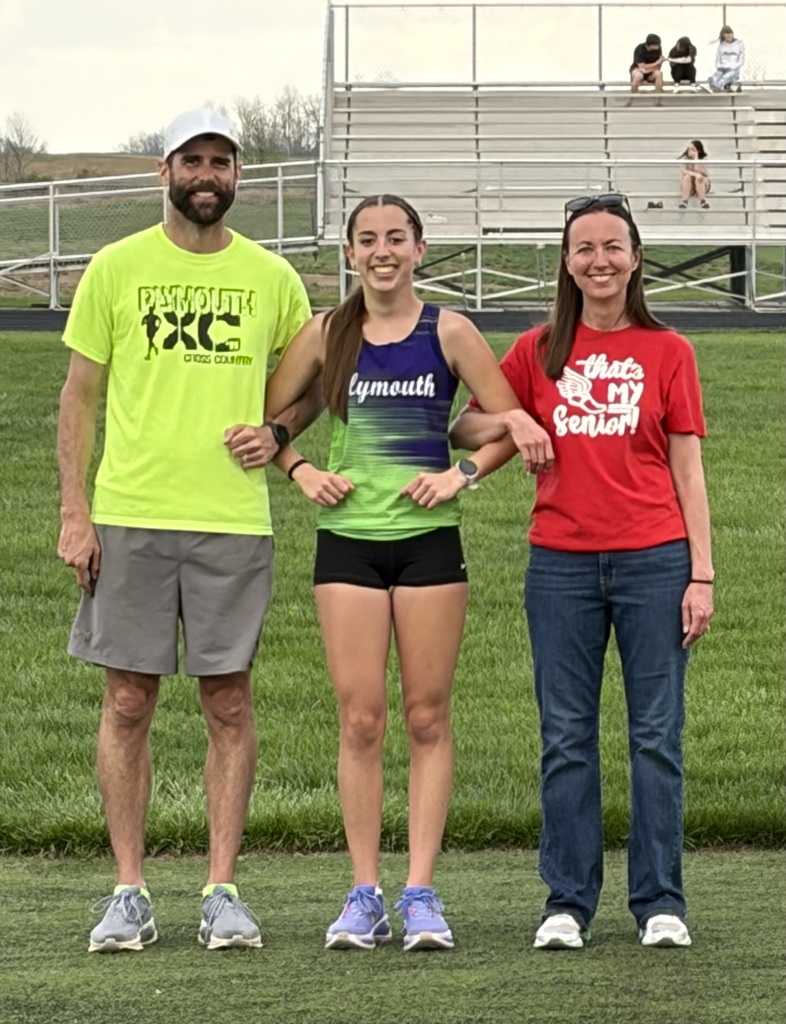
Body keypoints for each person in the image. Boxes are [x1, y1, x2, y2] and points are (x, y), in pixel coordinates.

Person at [232, 193, 552, 953]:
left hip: (429, 546)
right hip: (347, 544)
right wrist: (301, 469)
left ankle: (421, 894)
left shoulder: (451, 331)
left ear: (419, 248)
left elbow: (505, 426)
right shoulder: (326, 332)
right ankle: (364, 894)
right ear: (350, 253)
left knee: (427, 717)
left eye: (397, 238)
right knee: (361, 719)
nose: (383, 251)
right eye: (369, 239)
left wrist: (459, 475)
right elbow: (271, 421)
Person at [57, 106, 320, 953]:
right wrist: (75, 512)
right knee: (128, 699)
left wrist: (278, 433)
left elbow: (312, 382)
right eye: (193, 160)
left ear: (237, 175)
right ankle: (128, 891)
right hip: (130, 513)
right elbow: (79, 396)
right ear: (164, 171)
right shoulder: (116, 266)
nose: (208, 175)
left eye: (222, 162)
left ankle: (222, 891)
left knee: (228, 700)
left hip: (230, 519)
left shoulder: (272, 278)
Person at [450, 192, 714, 951]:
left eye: (612, 246)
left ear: (636, 258)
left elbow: (688, 468)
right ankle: (567, 902)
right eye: (584, 248)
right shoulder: (537, 350)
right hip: (560, 566)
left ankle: (660, 901)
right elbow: (464, 425)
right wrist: (515, 416)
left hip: (655, 560)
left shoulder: (670, 351)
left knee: (655, 736)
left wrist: (701, 574)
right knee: (566, 735)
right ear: (566, 263)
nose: (600, 261)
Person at [708, 26, 745, 92]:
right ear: (723, 36)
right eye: (726, 37)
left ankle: (717, 86)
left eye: (730, 36)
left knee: (726, 76)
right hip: (723, 68)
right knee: (717, 76)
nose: (728, 38)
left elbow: (741, 61)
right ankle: (730, 87)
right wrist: (720, 67)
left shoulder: (739, 44)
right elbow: (718, 60)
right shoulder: (721, 46)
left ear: (732, 34)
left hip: (733, 69)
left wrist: (732, 66)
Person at [679, 140, 711, 209]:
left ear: (698, 150)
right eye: (688, 149)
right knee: (687, 177)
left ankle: (703, 201)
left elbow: (703, 173)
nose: (689, 151)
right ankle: (684, 201)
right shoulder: (684, 159)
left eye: (692, 149)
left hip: (702, 183)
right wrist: (696, 174)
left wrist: (696, 158)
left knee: (699, 178)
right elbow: (684, 171)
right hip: (688, 184)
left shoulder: (703, 159)